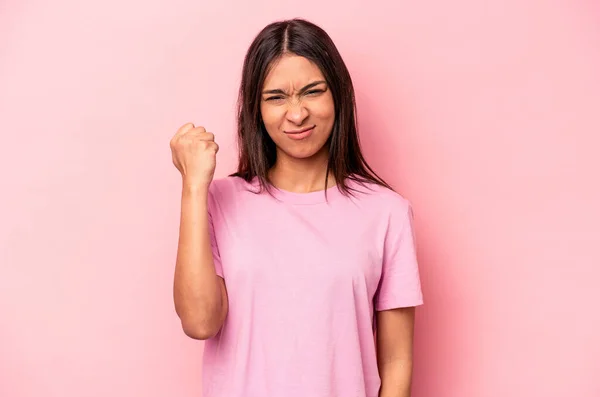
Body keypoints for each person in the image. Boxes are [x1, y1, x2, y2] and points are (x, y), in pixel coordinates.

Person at [169, 18, 424, 397]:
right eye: (276, 97)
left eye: (312, 91)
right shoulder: (219, 201)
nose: (297, 113)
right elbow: (200, 322)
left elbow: (397, 363)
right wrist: (193, 185)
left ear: (337, 94)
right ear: (255, 108)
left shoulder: (387, 212)